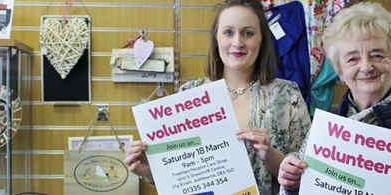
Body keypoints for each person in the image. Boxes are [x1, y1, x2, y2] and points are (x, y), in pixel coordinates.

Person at [277, 2, 391, 195]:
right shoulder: (322, 131)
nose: (366, 67)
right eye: (352, 59)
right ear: (339, 71)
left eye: (377, 55)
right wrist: (292, 187)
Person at [124, 0, 311, 194]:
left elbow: (305, 178)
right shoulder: (188, 95)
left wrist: (270, 155)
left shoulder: (288, 95)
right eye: (228, 32)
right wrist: (151, 173)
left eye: (248, 33)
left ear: (262, 38)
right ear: (216, 38)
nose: (237, 42)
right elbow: (181, 177)